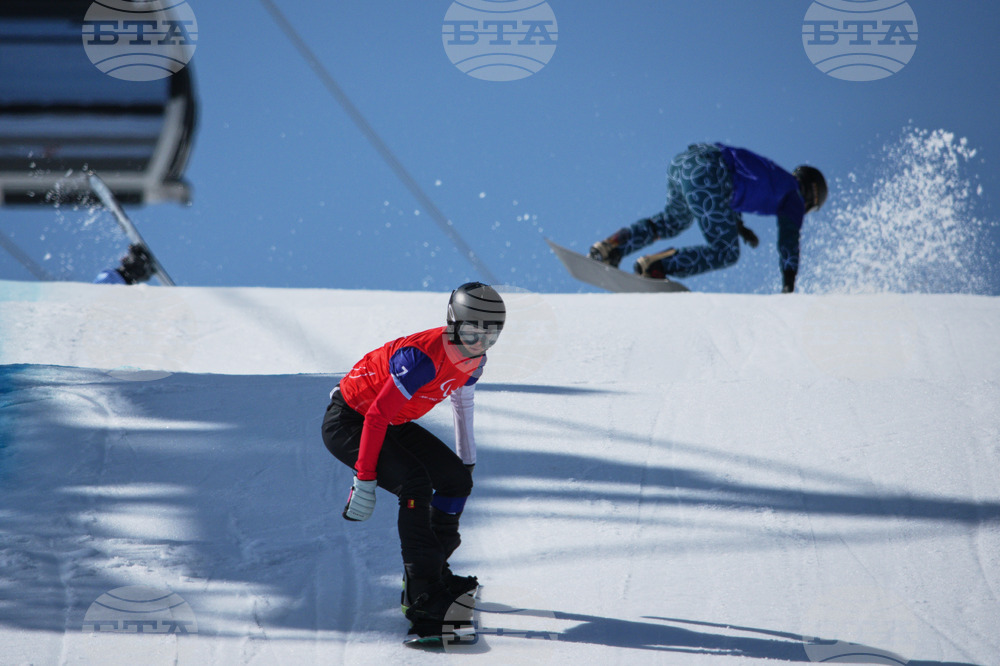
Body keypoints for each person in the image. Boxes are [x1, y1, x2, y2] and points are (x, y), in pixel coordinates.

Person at [321, 282, 505, 633]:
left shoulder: (475, 360)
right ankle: (422, 595)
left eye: (490, 335)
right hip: (349, 420)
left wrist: (465, 463)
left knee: (454, 481)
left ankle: (434, 572)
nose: (478, 342)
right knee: (415, 484)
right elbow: (374, 416)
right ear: (453, 323)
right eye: (470, 331)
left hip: (391, 422)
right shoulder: (421, 359)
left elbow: (462, 404)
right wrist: (364, 481)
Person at [589, 143, 827, 293]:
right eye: (810, 208)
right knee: (727, 252)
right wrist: (789, 283)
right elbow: (788, 239)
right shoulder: (793, 194)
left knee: (674, 221)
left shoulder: (777, 176)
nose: (804, 211)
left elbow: (741, 180)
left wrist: (739, 227)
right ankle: (656, 266)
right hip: (710, 173)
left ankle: (612, 247)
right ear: (810, 194)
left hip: (685, 163)